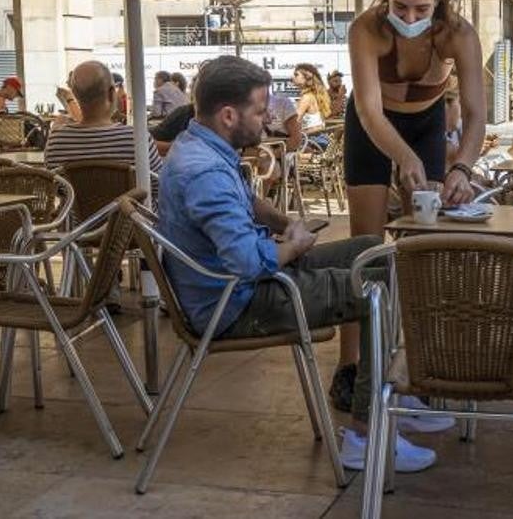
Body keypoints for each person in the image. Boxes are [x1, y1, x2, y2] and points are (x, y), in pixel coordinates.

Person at [159, 56, 444, 474]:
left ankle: (389, 392)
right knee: (376, 292)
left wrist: (288, 223)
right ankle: (365, 433)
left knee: (372, 250)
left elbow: (247, 203)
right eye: (259, 112)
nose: (266, 121)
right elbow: (248, 262)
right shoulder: (203, 171)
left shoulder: (199, 143)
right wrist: (294, 247)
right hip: (235, 305)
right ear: (228, 115)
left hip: (243, 285)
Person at [345, 0, 487, 242]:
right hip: (372, 125)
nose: (410, 19)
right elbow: (369, 111)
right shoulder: (366, 29)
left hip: (426, 122)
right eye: (400, 7)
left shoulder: (459, 34)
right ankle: (371, 289)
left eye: (422, 9)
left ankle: (411, 290)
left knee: (421, 237)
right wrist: (405, 157)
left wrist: (462, 168)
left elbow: (475, 113)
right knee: (365, 241)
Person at [45, 60, 163, 194]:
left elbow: (56, 189)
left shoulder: (56, 141)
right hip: (132, 213)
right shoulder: (136, 139)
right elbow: (159, 185)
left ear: (75, 95)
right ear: (111, 93)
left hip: (82, 216)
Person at [292, 63, 332, 149]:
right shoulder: (315, 95)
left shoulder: (306, 97)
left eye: (296, 75)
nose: (292, 78)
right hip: (321, 138)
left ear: (306, 77)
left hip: (311, 142)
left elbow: (294, 122)